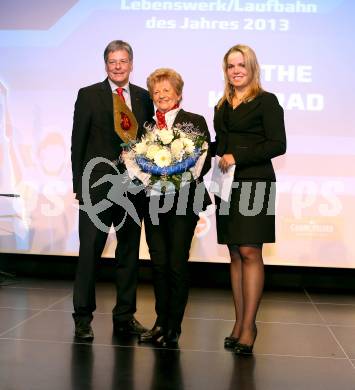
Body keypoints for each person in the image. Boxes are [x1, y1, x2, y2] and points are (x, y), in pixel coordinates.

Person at [71, 40, 154, 340]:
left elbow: (148, 144)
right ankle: (82, 318)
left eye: (123, 61)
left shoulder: (144, 98)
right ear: (105, 64)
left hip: (133, 189)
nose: (118, 66)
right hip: (97, 188)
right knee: (89, 254)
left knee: (129, 255)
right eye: (112, 61)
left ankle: (125, 316)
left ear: (131, 64)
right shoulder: (89, 95)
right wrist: (79, 185)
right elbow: (77, 143)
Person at [213, 44, 286, 354]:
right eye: (231, 66)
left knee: (250, 251)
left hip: (256, 182)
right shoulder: (221, 104)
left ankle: (250, 327)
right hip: (227, 186)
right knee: (234, 253)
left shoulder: (267, 102)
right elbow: (220, 144)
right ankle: (239, 322)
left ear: (252, 67)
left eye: (241, 64)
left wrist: (237, 156)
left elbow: (277, 144)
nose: (236, 70)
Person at [138, 68, 211, 347]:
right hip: (153, 201)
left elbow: (201, 160)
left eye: (166, 90)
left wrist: (174, 175)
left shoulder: (194, 121)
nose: (161, 96)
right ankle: (160, 322)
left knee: (176, 263)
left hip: (184, 199)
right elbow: (138, 162)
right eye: (156, 92)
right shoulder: (147, 126)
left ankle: (173, 327)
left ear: (178, 93)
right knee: (158, 263)